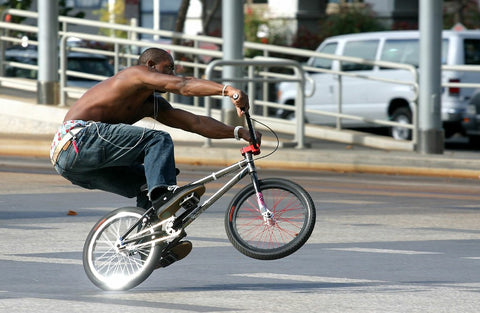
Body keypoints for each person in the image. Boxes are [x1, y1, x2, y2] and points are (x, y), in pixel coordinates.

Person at [50, 47, 261, 268]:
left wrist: (239, 133)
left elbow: (194, 123)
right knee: (157, 140)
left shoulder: (152, 104)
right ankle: (164, 197)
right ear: (150, 66)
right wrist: (229, 91)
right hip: (76, 139)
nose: (170, 75)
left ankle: (146, 247)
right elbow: (183, 84)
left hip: (74, 167)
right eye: (167, 69)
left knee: (147, 185)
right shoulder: (134, 74)